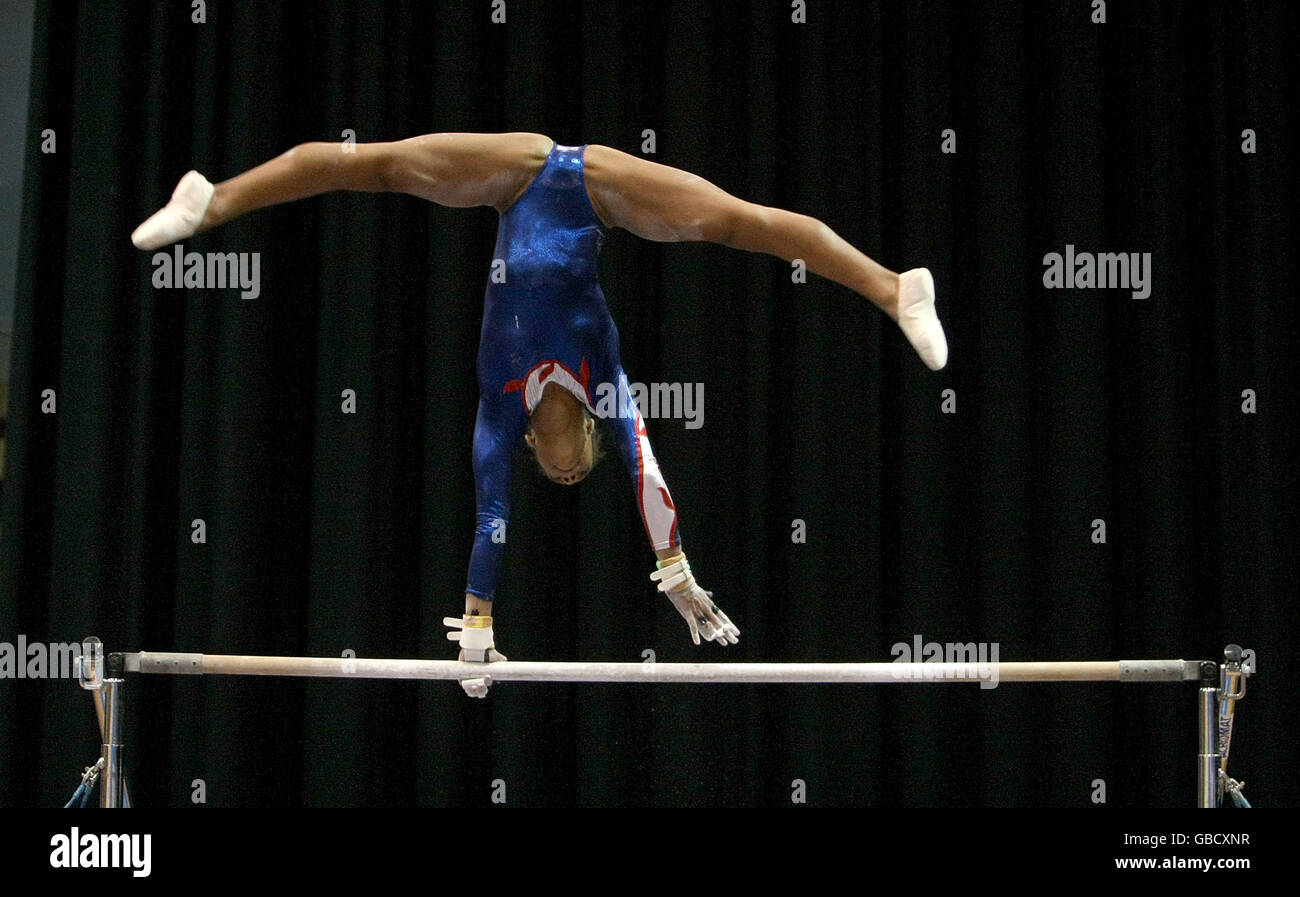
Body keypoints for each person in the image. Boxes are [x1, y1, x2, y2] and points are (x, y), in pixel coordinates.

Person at [132, 132, 947, 697]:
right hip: (590, 184)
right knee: (736, 223)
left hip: (514, 181)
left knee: (377, 169)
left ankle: (893, 285)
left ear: (533, 444)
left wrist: (479, 624)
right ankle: (213, 201)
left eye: (554, 474)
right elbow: (646, 469)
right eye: (576, 471)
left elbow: (492, 513)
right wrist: (675, 568)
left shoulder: (499, 407)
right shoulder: (608, 389)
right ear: (585, 440)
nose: (564, 471)